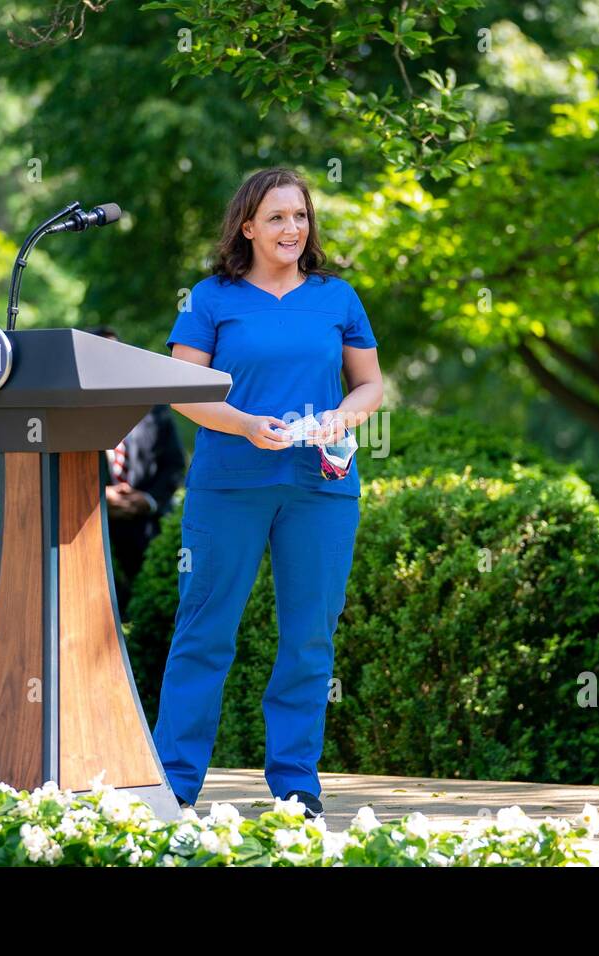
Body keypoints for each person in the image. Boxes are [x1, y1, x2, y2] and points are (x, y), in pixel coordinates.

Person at [153, 167, 384, 818]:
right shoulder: (208, 298)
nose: (292, 228)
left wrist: (344, 415)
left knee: (310, 639)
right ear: (247, 226)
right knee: (204, 633)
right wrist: (247, 425)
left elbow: (370, 384)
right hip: (228, 486)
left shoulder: (337, 298)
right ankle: (174, 788)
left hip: (321, 488)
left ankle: (295, 791)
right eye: (277, 217)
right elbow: (181, 389)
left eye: (301, 217)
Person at [85, 325, 187, 615]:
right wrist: (98, 496)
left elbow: (174, 464)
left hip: (147, 530)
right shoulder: (66, 409)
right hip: (87, 530)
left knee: (148, 608)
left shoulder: (152, 410)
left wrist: (147, 500)